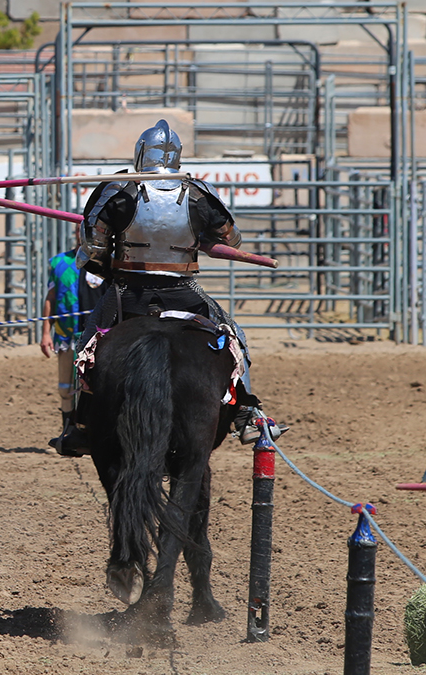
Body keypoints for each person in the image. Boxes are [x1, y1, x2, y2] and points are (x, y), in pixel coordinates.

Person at [52, 119, 286, 457]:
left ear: (141, 153)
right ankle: (247, 416)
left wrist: (111, 255)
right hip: (184, 291)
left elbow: (92, 250)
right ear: (176, 156)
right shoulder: (197, 192)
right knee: (234, 335)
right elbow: (232, 238)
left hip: (127, 291)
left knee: (87, 343)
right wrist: (196, 235)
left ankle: (80, 424)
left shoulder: (117, 189)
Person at [40, 229, 107, 448]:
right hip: (67, 334)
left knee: (96, 386)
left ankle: (94, 432)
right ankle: (68, 432)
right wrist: (45, 333)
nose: (83, 234)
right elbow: (51, 297)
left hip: (98, 335)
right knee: (65, 386)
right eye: (80, 230)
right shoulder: (59, 262)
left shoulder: (104, 263)